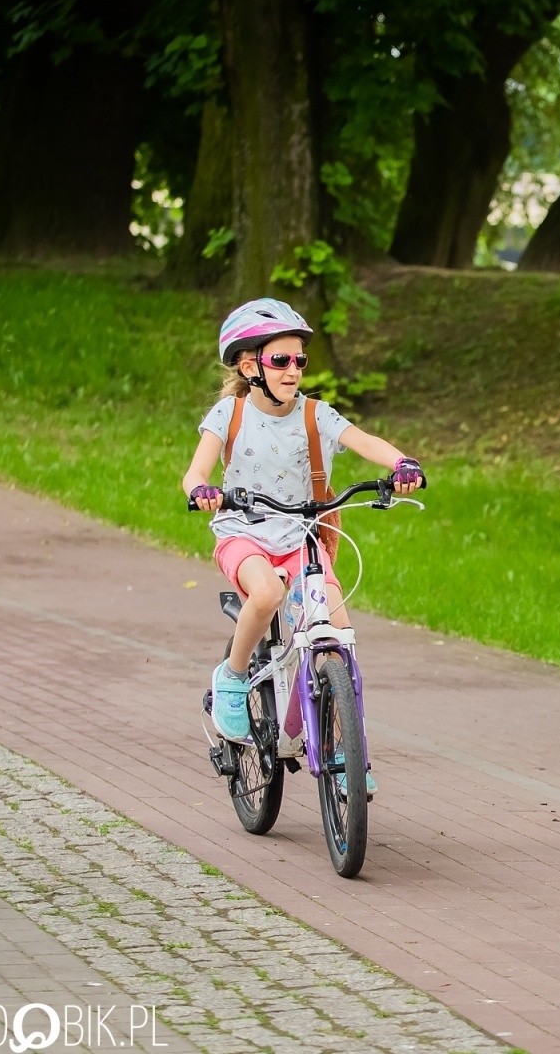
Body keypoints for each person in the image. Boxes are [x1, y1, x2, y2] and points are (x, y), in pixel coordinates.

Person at [181, 298, 423, 793]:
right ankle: (230, 677)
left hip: (301, 536)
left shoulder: (316, 415)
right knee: (266, 594)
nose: (293, 370)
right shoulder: (229, 413)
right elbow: (196, 471)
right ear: (251, 366)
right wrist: (201, 491)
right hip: (244, 533)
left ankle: (342, 749)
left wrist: (402, 463)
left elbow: (364, 440)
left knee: (339, 633)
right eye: (280, 360)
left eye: (299, 361)